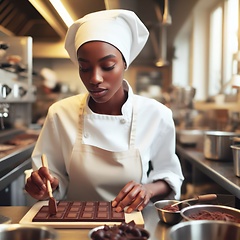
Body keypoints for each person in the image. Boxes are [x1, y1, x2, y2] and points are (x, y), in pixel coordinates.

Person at [25, 9, 184, 213]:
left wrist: (147, 190)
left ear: (125, 63)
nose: (95, 78)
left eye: (107, 66)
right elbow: (53, 178)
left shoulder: (156, 114)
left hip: (132, 223)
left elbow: (169, 174)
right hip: (73, 222)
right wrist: (43, 186)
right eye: (84, 68)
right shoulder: (60, 113)